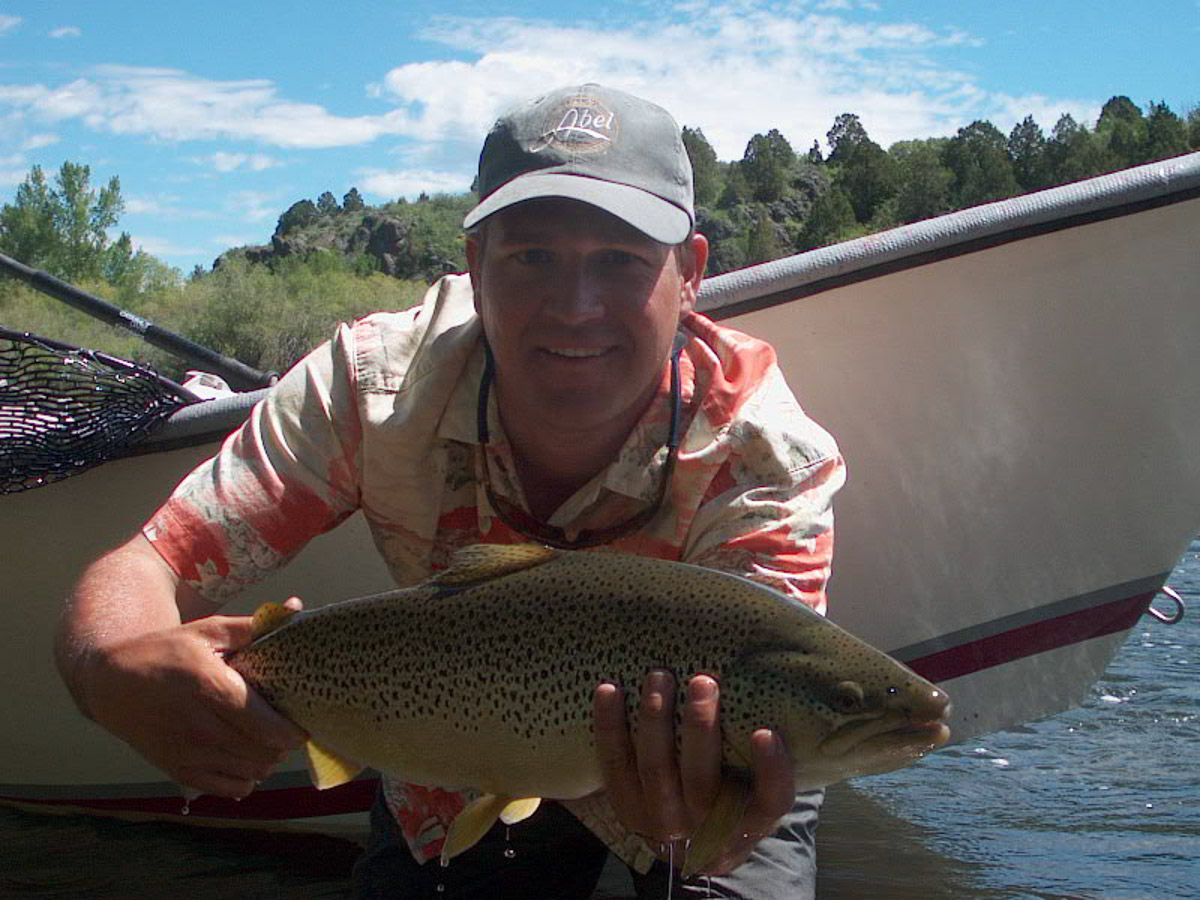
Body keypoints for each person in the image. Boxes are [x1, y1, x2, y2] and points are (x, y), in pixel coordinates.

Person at [55, 84, 845, 899]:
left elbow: (765, 694)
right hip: (461, 746)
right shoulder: (370, 387)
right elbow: (142, 568)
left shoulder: (765, 460)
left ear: (690, 276)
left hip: (705, 773)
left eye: (621, 261)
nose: (575, 308)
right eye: (532, 256)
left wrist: (721, 802)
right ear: (474, 266)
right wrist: (105, 669)